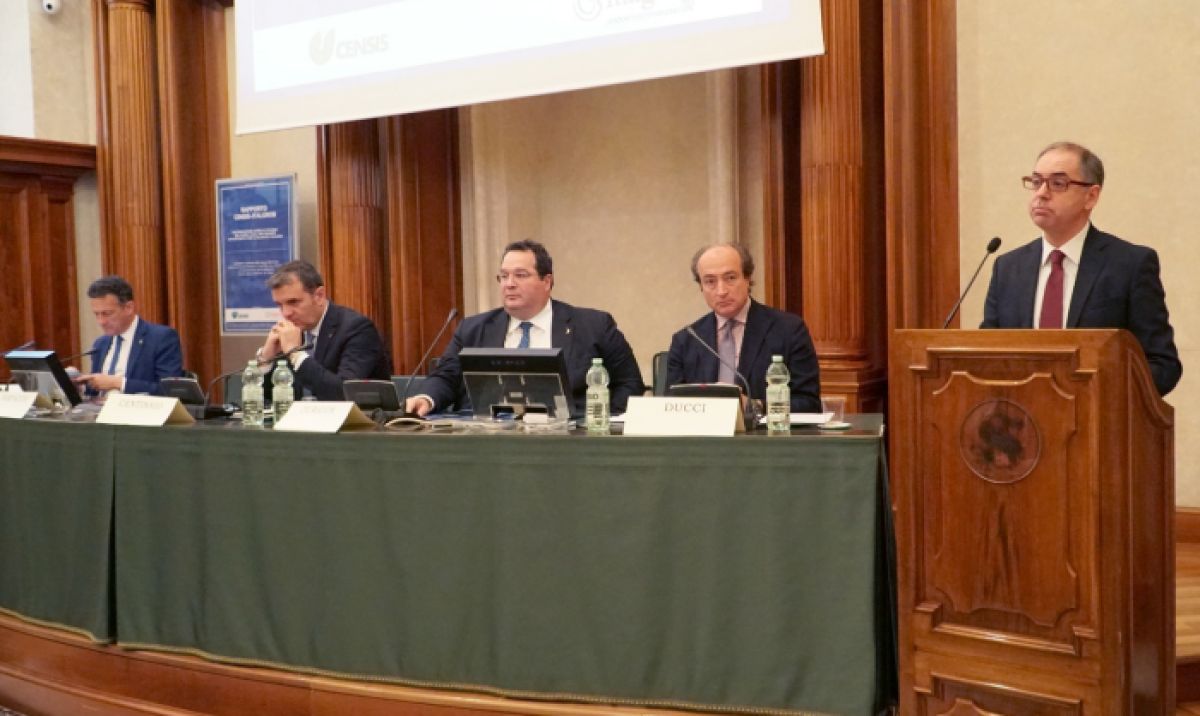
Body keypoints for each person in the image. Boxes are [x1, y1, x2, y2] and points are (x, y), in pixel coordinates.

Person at [981, 141, 1182, 396]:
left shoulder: (1130, 264)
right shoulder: (1008, 268)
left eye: (1057, 183)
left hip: (1098, 415)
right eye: (1036, 181)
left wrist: (1101, 396)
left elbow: (1162, 365)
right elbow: (986, 358)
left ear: (1091, 196)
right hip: (1021, 417)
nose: (1041, 193)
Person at [406, 239, 644, 417]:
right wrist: (426, 398)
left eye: (520, 275)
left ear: (546, 281)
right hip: (488, 441)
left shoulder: (593, 326)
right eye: (503, 276)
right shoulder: (473, 329)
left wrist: (599, 422)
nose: (509, 284)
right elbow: (446, 377)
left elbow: (630, 383)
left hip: (568, 442)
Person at [666, 243, 821, 413]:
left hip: (763, 430)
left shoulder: (789, 330)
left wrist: (754, 406)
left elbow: (809, 404)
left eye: (730, 278)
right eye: (710, 281)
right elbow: (669, 407)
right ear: (701, 287)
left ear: (748, 279)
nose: (721, 291)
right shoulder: (687, 339)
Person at [258, 260, 391, 401]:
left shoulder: (357, 328)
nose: (286, 313)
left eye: (293, 302)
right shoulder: (293, 331)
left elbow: (344, 393)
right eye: (280, 305)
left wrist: (296, 354)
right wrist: (266, 359)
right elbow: (266, 399)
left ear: (319, 296)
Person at [76, 275, 183, 396]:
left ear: (129, 308)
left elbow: (169, 390)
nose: (101, 321)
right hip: (100, 407)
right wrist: (79, 385)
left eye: (107, 313)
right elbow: (96, 390)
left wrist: (119, 383)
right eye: (97, 314)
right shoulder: (100, 343)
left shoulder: (161, 338)